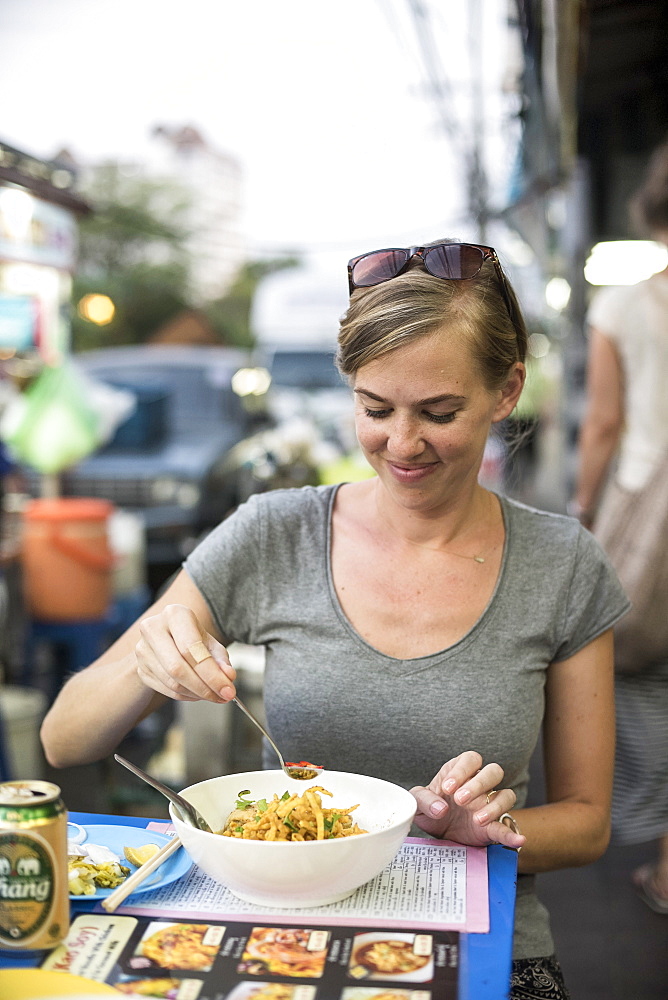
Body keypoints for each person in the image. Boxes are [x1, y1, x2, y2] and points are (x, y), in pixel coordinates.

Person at [42, 240, 629, 999]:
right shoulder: (272, 534)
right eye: (375, 409)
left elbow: (587, 824)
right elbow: (64, 739)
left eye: (440, 412)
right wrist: (143, 660)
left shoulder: (563, 563)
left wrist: (474, 832)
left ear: (507, 390)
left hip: (483, 950)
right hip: (272, 944)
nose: (403, 444)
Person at [572, 141, 668, 916]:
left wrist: (583, 506)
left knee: (643, 674)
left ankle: (665, 857)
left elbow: (603, 422)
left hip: (646, 515)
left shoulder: (624, 305)